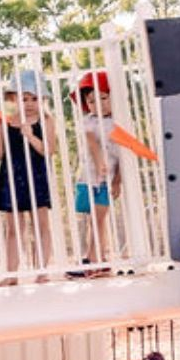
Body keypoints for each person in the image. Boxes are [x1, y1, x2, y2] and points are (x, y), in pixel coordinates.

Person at [0, 70, 57, 285]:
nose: (29, 104)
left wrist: (30, 135)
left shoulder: (46, 120)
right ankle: (11, 275)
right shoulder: (8, 122)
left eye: (34, 98)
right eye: (24, 98)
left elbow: (48, 150)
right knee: (14, 229)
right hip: (11, 177)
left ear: (42, 99)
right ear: (14, 99)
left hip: (35, 176)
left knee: (41, 224)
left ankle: (42, 271)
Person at [72, 71, 122, 275]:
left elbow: (122, 158)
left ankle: (94, 260)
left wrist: (117, 181)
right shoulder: (88, 121)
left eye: (103, 98)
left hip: (107, 180)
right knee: (92, 218)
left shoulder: (119, 122)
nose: (97, 104)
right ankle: (96, 258)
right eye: (91, 101)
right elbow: (93, 144)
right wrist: (101, 162)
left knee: (99, 218)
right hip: (89, 177)